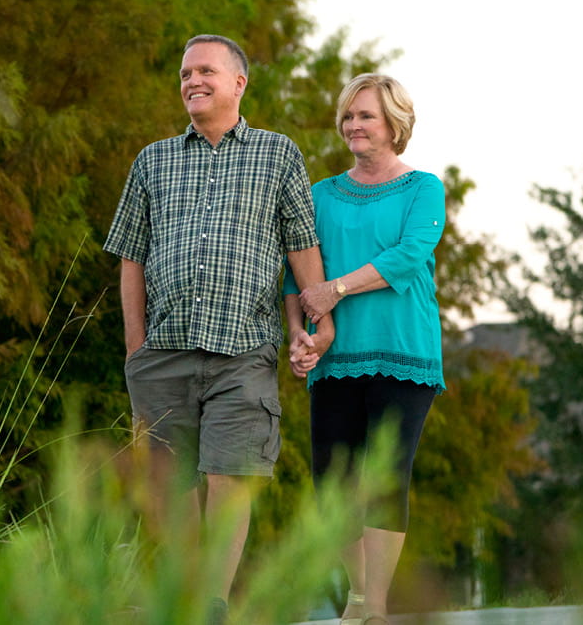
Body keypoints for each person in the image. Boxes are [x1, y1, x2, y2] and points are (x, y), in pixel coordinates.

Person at [103, 34, 334, 623]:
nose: (192, 82)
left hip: (244, 350)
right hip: (163, 350)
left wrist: (319, 323)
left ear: (239, 82)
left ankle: (213, 602)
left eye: (205, 71)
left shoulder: (277, 154)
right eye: (185, 74)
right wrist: (135, 347)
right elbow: (131, 257)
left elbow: (301, 244)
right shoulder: (152, 160)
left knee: (232, 475)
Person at [284, 73, 446, 625]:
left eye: (366, 115)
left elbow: (409, 254)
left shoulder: (423, 189)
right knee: (331, 482)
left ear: (394, 123)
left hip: (404, 353)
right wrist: (298, 334)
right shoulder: (320, 195)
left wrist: (336, 289)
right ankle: (358, 596)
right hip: (335, 358)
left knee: (385, 477)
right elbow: (296, 272)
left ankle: (376, 605)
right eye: (349, 116)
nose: (354, 125)